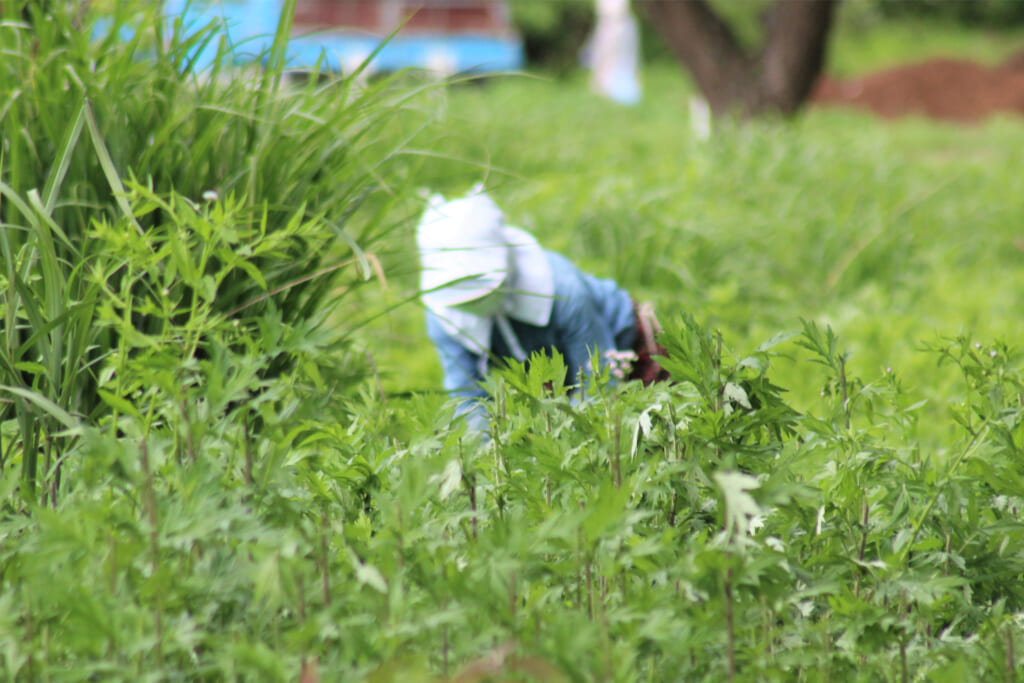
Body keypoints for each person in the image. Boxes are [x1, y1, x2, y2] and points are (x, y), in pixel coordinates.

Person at [417, 186, 667, 429]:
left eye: (483, 294)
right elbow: (467, 398)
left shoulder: (563, 291)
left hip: (621, 349)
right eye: (465, 301)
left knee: (649, 433)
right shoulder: (443, 318)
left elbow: (599, 379)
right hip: (548, 371)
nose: (475, 303)